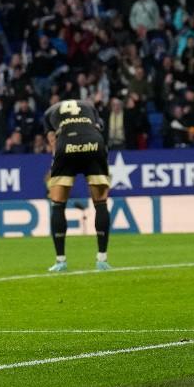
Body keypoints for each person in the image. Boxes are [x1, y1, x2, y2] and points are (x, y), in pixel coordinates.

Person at [42, 98, 113, 272]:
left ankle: (60, 261)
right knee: (101, 202)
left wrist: (56, 163)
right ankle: (102, 259)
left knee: (58, 204)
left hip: (66, 145)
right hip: (93, 143)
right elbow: (99, 128)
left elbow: (53, 141)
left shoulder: (48, 114)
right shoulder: (89, 107)